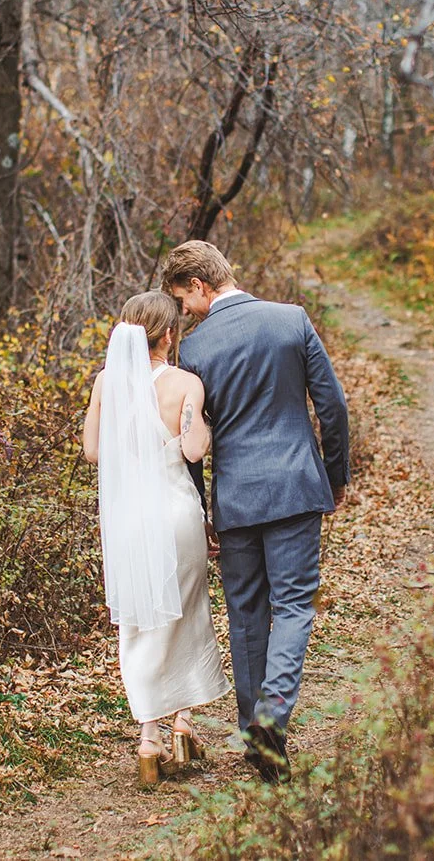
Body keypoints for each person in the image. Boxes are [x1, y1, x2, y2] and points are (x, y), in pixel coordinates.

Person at [162, 240, 350, 784]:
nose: (185, 312)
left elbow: (190, 438)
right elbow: (332, 406)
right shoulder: (291, 321)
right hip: (295, 488)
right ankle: (273, 715)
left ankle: (256, 739)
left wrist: (202, 507)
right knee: (293, 606)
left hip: (237, 498)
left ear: (201, 285)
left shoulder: (196, 351)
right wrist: (334, 477)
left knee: (246, 615)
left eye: (184, 300)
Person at [82, 291, 231, 783]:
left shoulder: (107, 383)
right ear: (168, 334)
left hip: (128, 521)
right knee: (186, 613)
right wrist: (203, 428)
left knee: (142, 620)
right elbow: (192, 451)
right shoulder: (185, 383)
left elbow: (92, 452)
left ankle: (150, 740)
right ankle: (182, 728)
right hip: (175, 515)